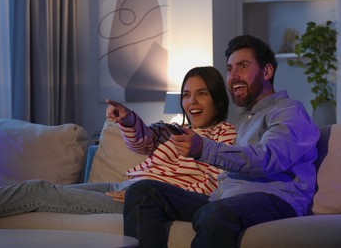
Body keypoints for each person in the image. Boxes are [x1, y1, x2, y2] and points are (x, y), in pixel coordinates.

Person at [0, 66, 236, 229]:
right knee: (34, 191)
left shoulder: (228, 136)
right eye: (186, 95)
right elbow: (143, 140)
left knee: (37, 192)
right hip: (121, 186)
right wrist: (126, 117)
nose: (192, 102)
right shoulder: (173, 130)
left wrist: (150, 196)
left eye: (201, 94)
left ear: (217, 98)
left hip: (142, 199)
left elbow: (214, 186)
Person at [122, 35, 320, 248]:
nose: (233, 76)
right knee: (143, 192)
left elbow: (267, 158)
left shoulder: (289, 111)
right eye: (229, 69)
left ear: (267, 72)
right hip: (225, 199)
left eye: (242, 66)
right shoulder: (245, 119)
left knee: (215, 214)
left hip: (276, 200)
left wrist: (203, 149)